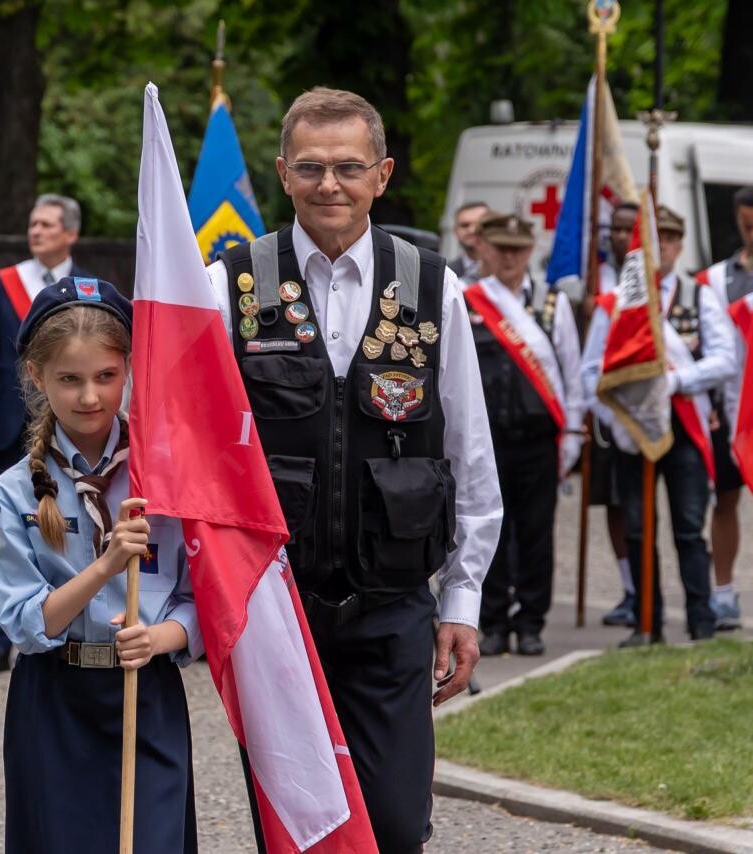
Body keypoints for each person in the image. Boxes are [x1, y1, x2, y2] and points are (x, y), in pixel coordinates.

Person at [207, 87, 502, 852]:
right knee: (296, 833)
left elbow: (470, 460)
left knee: (399, 826)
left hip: (390, 606)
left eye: (347, 166)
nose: (328, 184)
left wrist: (462, 601)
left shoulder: (436, 289)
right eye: (310, 166)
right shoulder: (230, 285)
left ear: (382, 174)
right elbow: (191, 443)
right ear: (282, 172)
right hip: (276, 613)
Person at [0, 278, 202, 854]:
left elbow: (202, 593)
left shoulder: (168, 475)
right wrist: (105, 567)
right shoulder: (14, 492)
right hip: (57, 701)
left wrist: (163, 635)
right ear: (37, 376)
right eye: (69, 379)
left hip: (145, 691)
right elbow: (26, 623)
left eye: (106, 376)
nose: (90, 397)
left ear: (129, 370)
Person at [582, 205, 735, 646]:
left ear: (679, 244)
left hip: (684, 425)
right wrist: (618, 416)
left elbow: (725, 358)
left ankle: (701, 620)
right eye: (655, 238)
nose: (662, 246)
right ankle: (646, 623)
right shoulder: (618, 303)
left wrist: (677, 380)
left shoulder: (697, 294)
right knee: (637, 526)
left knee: (689, 527)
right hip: (633, 430)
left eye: (669, 239)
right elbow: (591, 373)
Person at [0, 193, 92, 676]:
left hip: (76, 428)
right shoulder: (6, 283)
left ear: (70, 234)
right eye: (33, 223)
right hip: (14, 427)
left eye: (46, 224)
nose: (35, 231)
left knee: (72, 530)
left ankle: (72, 626)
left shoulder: (88, 288)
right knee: (8, 530)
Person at [463, 213, 584, 656]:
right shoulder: (465, 300)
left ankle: (531, 621)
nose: (510, 257)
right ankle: (492, 621)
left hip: (537, 440)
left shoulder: (554, 306)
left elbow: (571, 373)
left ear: (530, 251)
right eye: (501, 248)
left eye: (517, 249)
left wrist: (572, 433)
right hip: (487, 441)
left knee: (536, 533)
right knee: (487, 533)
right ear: (485, 249)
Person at [697, 186, 753, 630]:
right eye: (747, 224)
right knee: (725, 498)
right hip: (731, 407)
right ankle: (722, 591)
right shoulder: (715, 279)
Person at [593, 200, 639, 627]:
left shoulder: (652, 282)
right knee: (617, 506)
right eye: (616, 229)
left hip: (651, 418)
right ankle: (629, 587)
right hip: (612, 420)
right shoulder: (597, 280)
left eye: (630, 229)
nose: (621, 237)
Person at [448, 200, 489, 283]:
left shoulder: (510, 270)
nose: (472, 230)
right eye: (465, 225)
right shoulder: (446, 273)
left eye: (479, 224)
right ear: (455, 231)